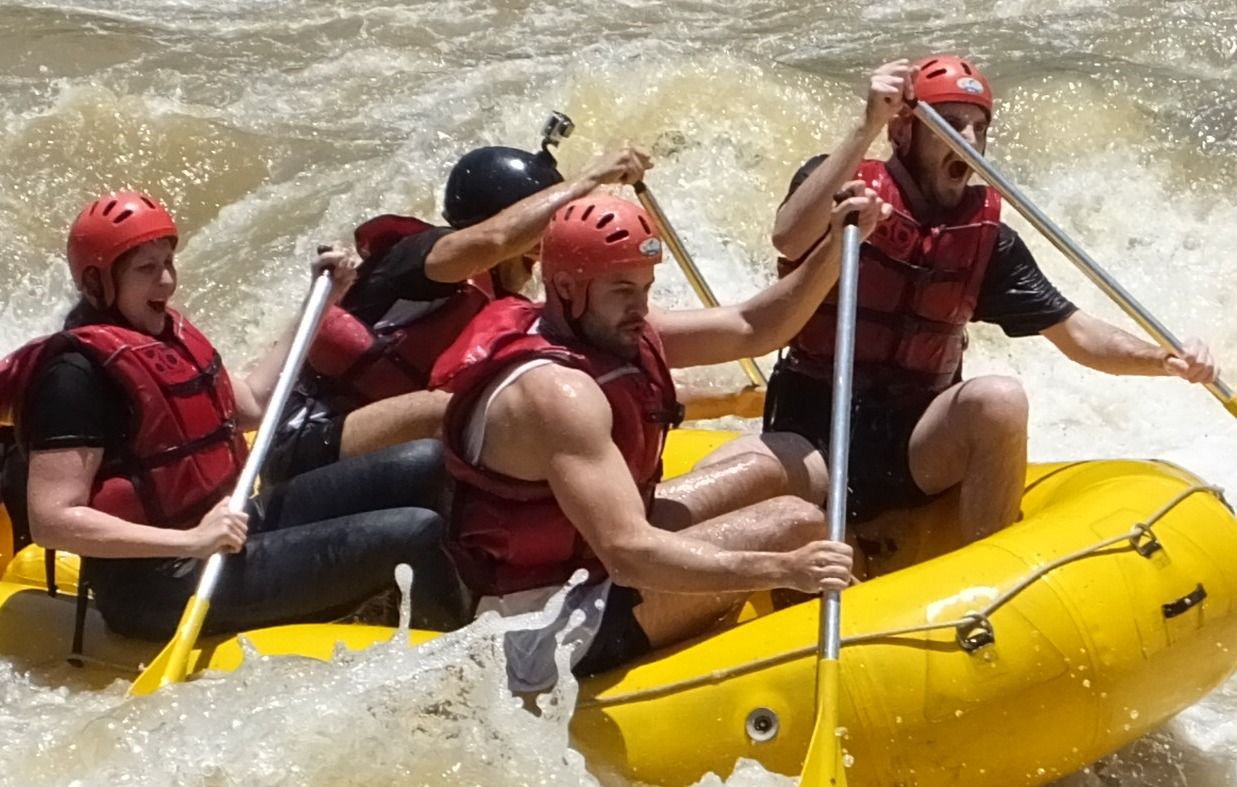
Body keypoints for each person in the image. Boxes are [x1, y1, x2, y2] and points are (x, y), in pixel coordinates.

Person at [429, 188, 887, 689]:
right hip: (545, 623)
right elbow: (628, 555)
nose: (640, 307)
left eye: (646, 287)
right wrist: (783, 568)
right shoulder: (554, 394)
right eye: (623, 289)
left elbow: (752, 327)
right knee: (795, 524)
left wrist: (837, 245)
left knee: (788, 463)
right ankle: (856, 672)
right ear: (564, 286)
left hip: (594, 561)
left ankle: (853, 604)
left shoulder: (600, 326)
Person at [765, 56, 1220, 550]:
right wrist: (866, 124)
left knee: (999, 399)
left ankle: (984, 571)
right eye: (949, 124)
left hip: (912, 447)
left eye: (979, 127)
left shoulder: (987, 242)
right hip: (811, 435)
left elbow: (1078, 334)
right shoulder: (843, 191)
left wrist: (1165, 360)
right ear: (902, 132)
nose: (968, 138)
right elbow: (789, 238)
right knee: (757, 479)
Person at [0, 191, 463, 639]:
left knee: (426, 461)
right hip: (160, 584)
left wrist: (320, 303)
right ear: (97, 284)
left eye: (168, 263)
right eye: (146, 269)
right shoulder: (72, 377)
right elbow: (52, 521)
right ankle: (457, 656)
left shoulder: (164, 334)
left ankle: (434, 595)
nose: (166, 281)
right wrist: (192, 542)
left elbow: (254, 404)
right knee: (413, 533)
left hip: (227, 525)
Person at [263, 138, 652, 484]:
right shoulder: (417, 258)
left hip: (379, 452)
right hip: (302, 443)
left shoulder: (507, 301)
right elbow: (495, 240)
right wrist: (592, 177)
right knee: (451, 410)